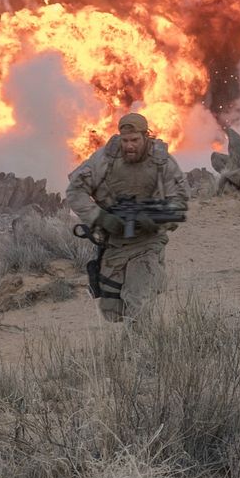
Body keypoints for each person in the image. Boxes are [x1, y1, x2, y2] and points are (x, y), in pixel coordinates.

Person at [66, 113, 190, 322]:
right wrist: (101, 218)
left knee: (138, 303)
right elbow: (74, 192)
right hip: (114, 244)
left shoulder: (161, 161)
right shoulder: (105, 159)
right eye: (125, 141)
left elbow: (180, 201)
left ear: (146, 137)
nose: (129, 146)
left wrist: (156, 219)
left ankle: (142, 351)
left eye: (135, 140)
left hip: (148, 243)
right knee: (112, 311)